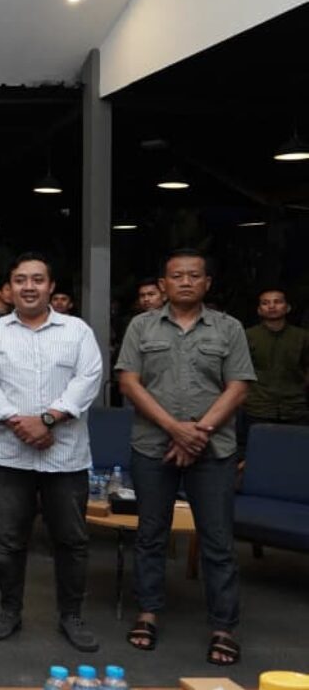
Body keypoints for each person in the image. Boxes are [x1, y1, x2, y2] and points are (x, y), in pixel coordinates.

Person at [115, 249, 254, 667]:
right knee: (150, 535)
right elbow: (129, 383)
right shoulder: (141, 326)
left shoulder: (229, 328)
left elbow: (238, 386)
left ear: (207, 283)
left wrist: (198, 432)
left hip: (213, 450)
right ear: (164, 284)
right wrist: (175, 429)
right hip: (152, 446)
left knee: (217, 540)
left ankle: (223, 627)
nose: (186, 282)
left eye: (195, 276)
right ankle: (148, 612)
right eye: (177, 276)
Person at [0, 253, 103, 652]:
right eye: (20, 280)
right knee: (9, 541)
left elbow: (89, 378)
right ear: (9, 288)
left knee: (71, 540)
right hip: (8, 455)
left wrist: (46, 419)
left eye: (37, 279)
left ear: (51, 286)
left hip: (65, 456)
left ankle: (71, 616)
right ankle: (9, 611)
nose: (29, 287)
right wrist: (20, 424)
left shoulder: (77, 331)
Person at [240, 288, 309, 451]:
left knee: (296, 454)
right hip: (257, 407)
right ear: (259, 310)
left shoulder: (303, 337)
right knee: (258, 454)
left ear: (287, 307)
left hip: (295, 407)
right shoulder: (247, 336)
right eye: (265, 303)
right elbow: (239, 371)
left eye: (277, 302)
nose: (272, 306)